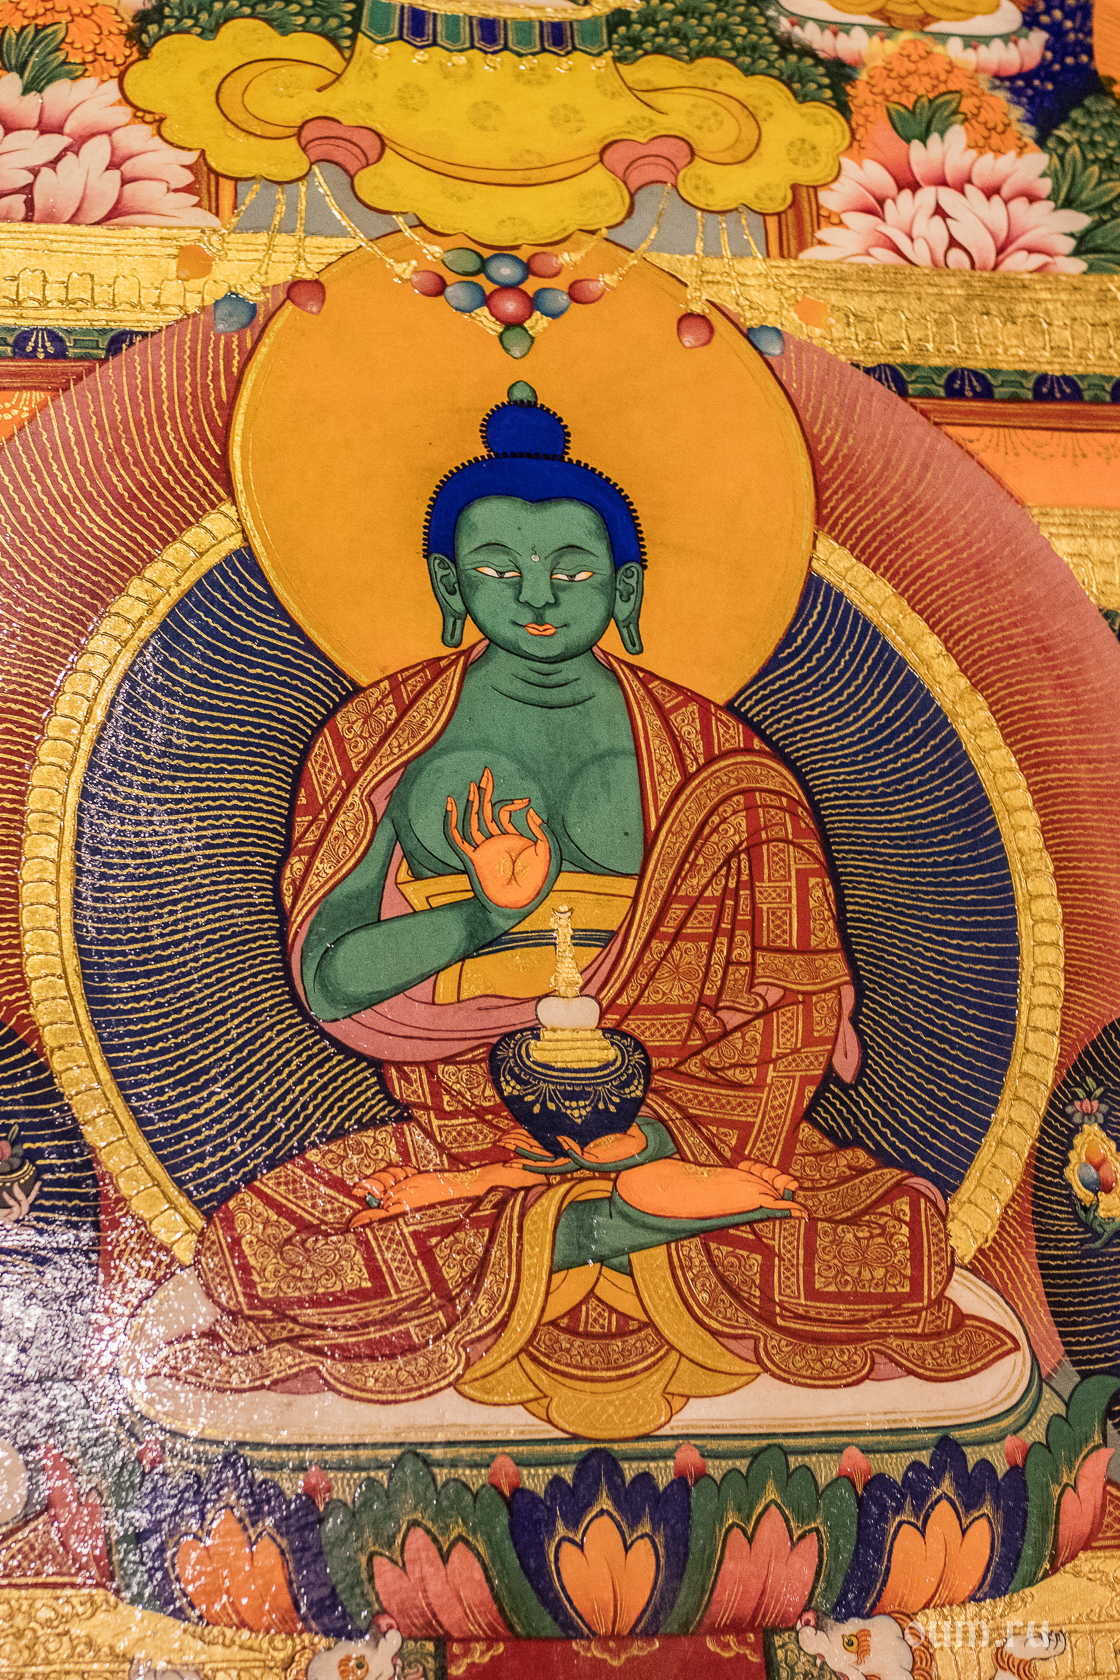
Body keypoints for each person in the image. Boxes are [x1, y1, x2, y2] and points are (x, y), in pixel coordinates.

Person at [166, 396, 1017, 1437]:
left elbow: (788, 997)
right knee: (258, 1247)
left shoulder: (718, 760)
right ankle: (605, 1227)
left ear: (625, 586)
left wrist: (660, 1127)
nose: (535, 597)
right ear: (449, 585)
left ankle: (565, 1229)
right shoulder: (382, 739)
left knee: (896, 1237)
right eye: (497, 569)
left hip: (680, 1114)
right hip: (467, 1119)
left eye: (571, 572)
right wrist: (483, 918)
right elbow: (331, 979)